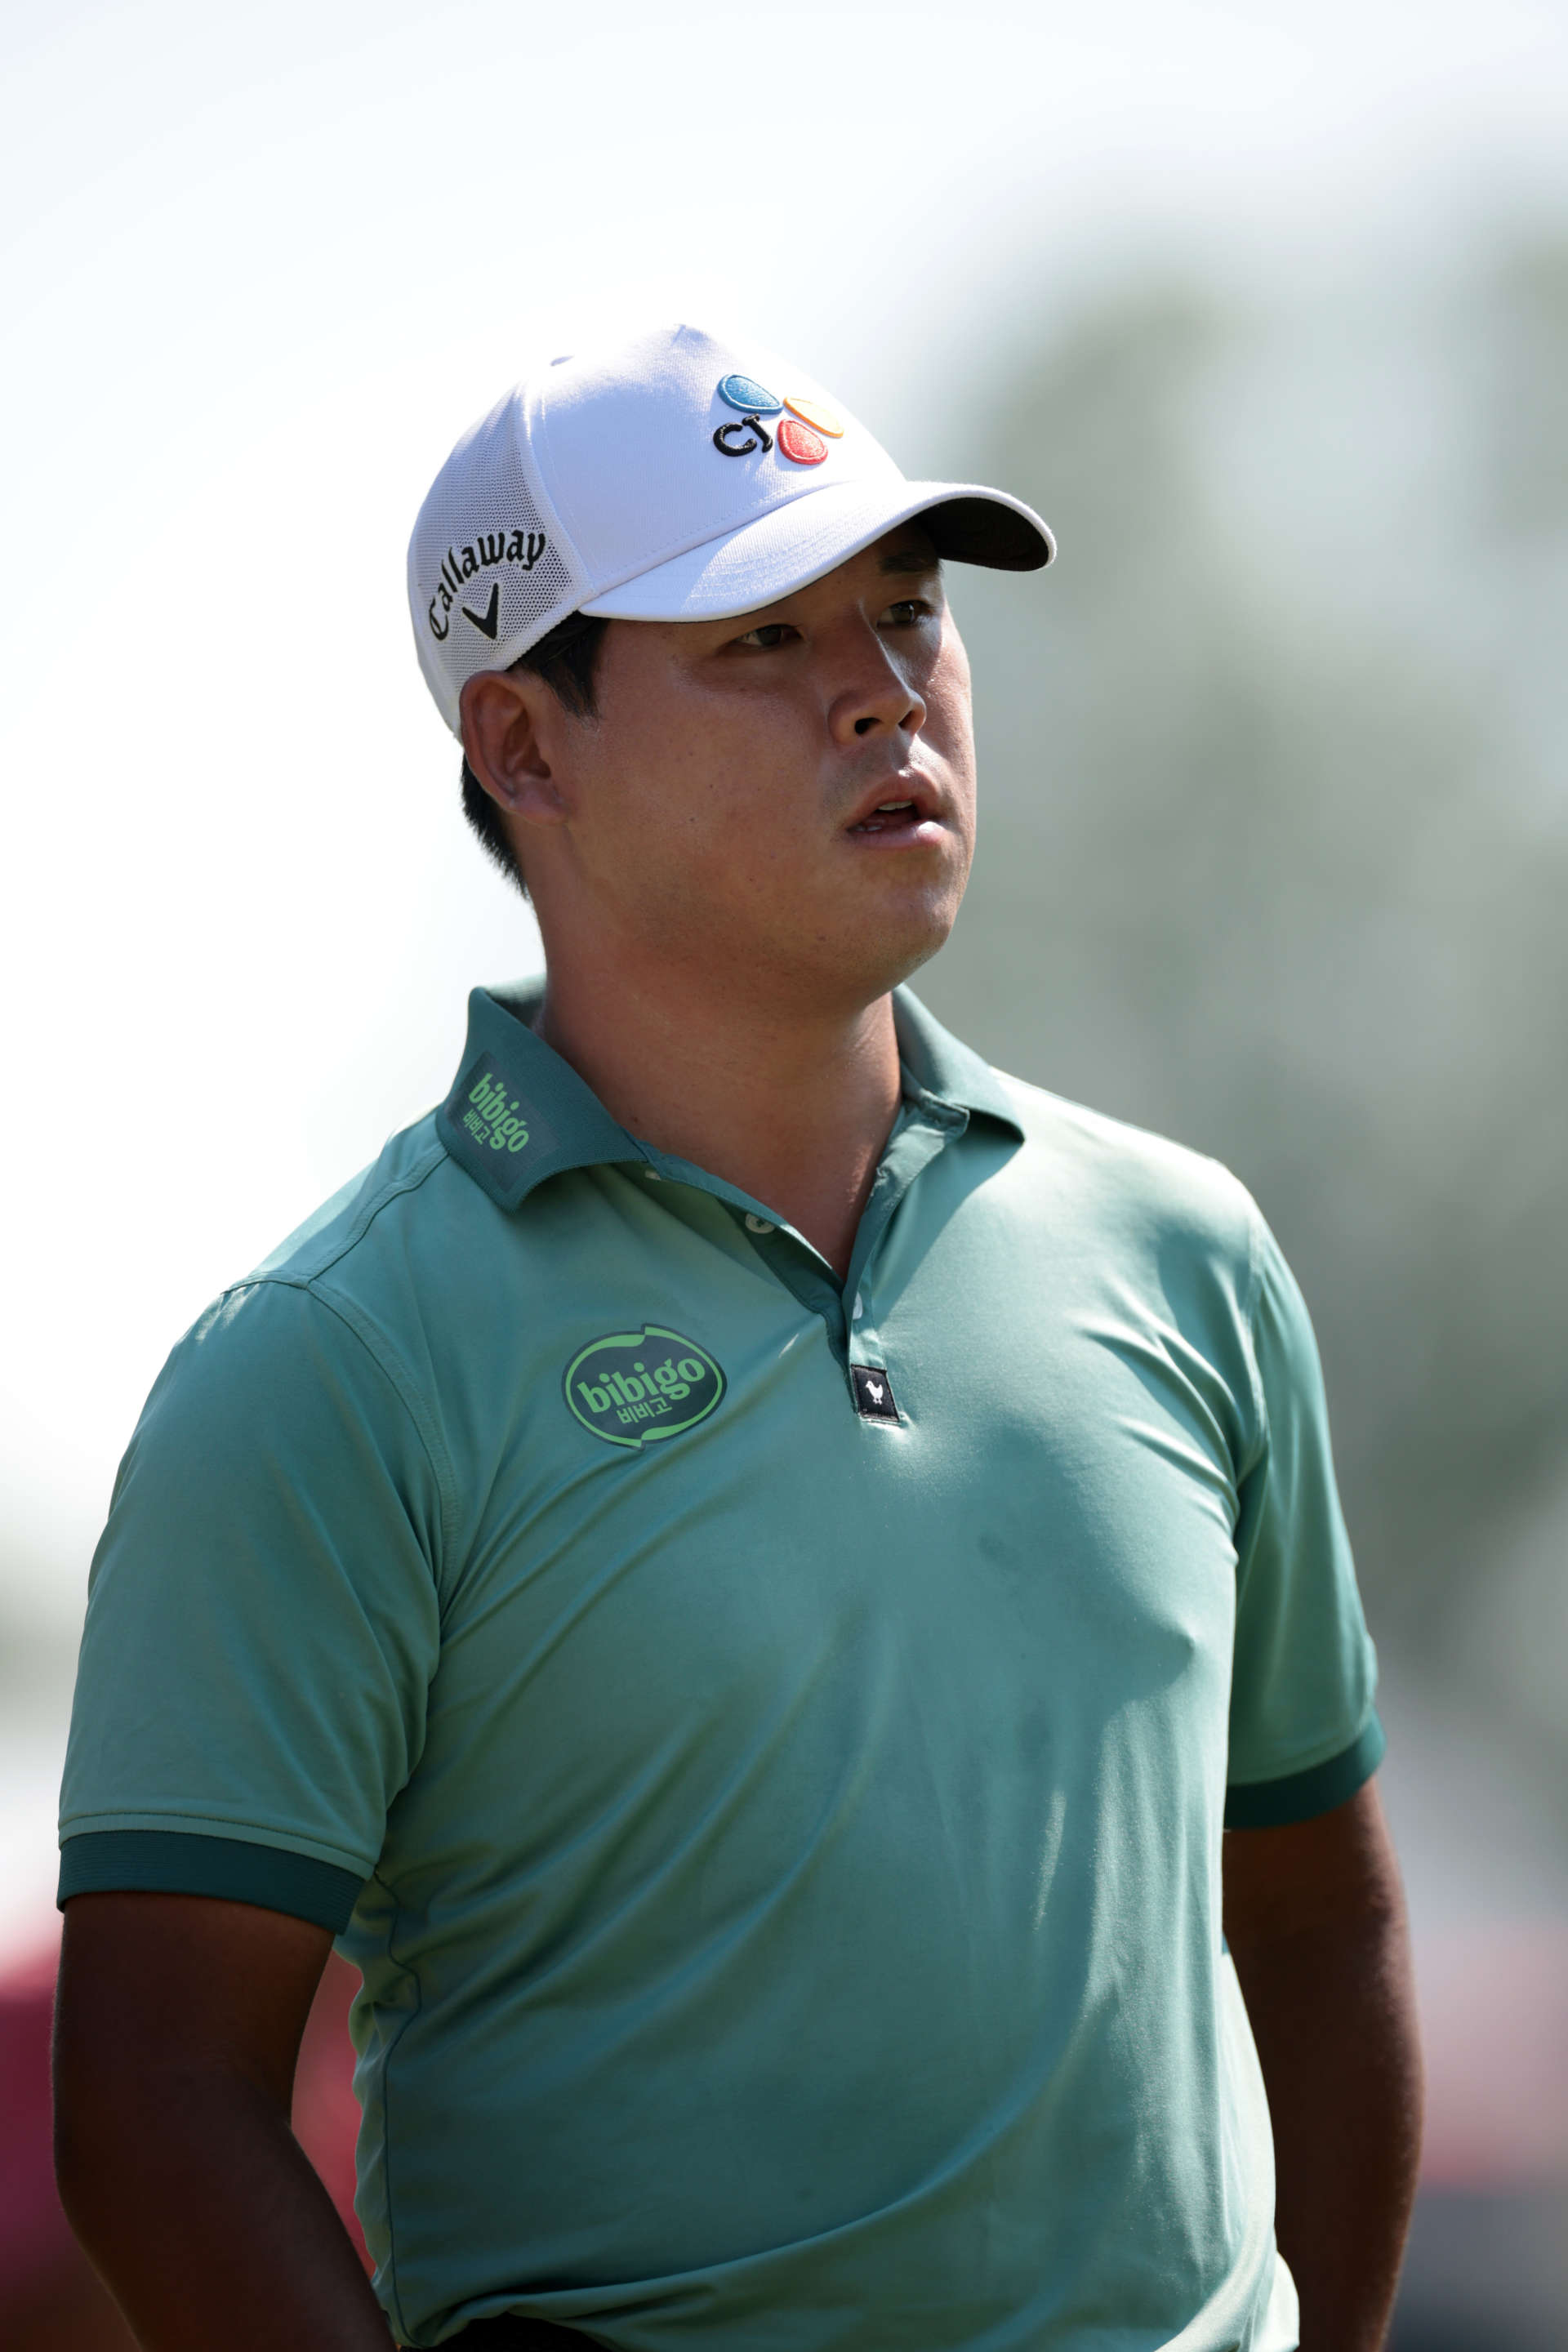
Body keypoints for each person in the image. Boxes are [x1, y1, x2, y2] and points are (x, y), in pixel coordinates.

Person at [52, 324, 1422, 2352]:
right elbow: (157, 2103)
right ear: (524, 746)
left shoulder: (1184, 1251)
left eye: (908, 610)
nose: (883, 688)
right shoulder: (327, 1367)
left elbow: (1318, 1920)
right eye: (764, 639)